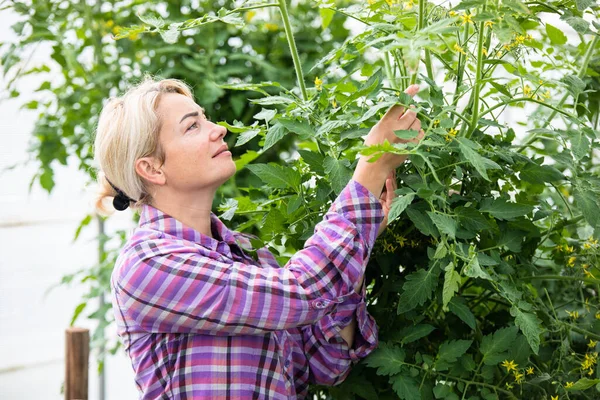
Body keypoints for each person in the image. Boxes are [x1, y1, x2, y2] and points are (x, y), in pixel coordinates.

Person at [93, 76, 423, 399]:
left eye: (205, 118)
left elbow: (328, 363)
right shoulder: (149, 264)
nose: (218, 129)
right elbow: (302, 290)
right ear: (152, 169)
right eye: (192, 126)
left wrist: (360, 241)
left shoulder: (249, 255)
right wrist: (371, 168)